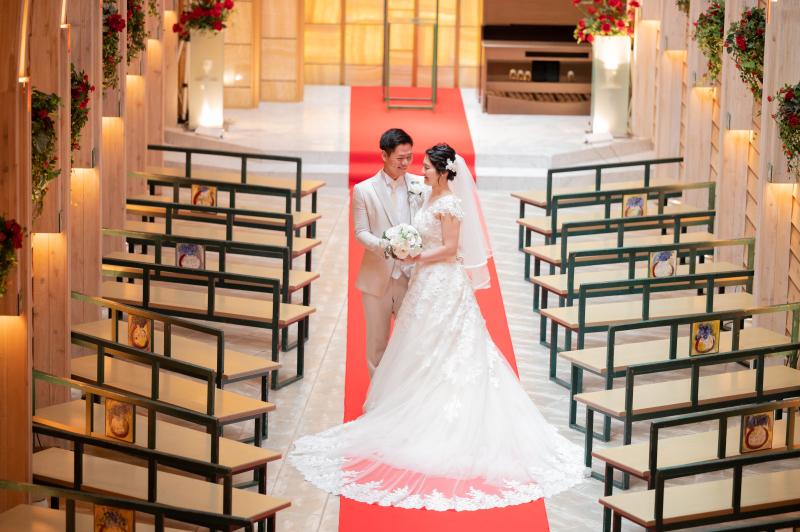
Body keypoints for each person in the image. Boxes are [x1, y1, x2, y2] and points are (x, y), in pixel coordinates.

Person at [291, 143, 586, 512]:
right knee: (418, 346)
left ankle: (448, 420)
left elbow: (450, 248)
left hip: (443, 281)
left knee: (452, 346)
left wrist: (416, 254)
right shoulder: (427, 195)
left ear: (444, 171)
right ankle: (405, 408)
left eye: (428, 166)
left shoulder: (450, 204)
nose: (421, 170)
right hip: (424, 283)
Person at [352, 128, 422, 379]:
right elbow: (360, 232)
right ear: (384, 155)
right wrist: (388, 246)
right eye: (399, 158)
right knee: (377, 343)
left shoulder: (420, 186)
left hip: (411, 277)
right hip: (376, 279)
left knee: (409, 344)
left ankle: (402, 397)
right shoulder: (364, 190)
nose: (405, 163)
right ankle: (376, 401)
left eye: (409, 157)